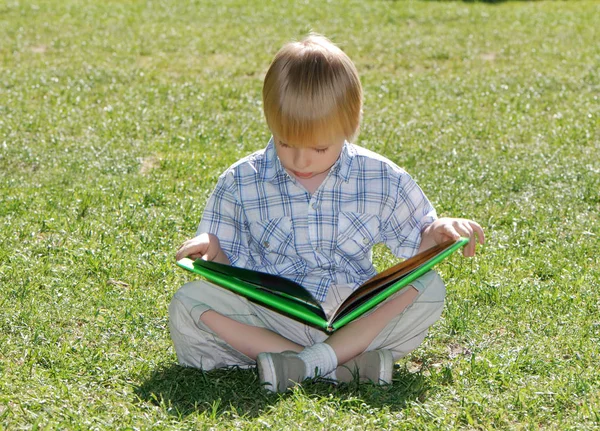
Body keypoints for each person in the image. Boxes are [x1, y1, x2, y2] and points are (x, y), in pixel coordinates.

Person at [169, 34, 484, 393]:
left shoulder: (380, 176)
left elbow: (417, 248)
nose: (301, 161)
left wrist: (439, 231)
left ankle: (300, 364)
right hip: (273, 317)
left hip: (355, 317)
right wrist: (210, 247)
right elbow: (226, 272)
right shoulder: (242, 180)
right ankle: (338, 365)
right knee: (188, 302)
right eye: (286, 142)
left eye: (319, 147)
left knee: (428, 286)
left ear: (349, 127)